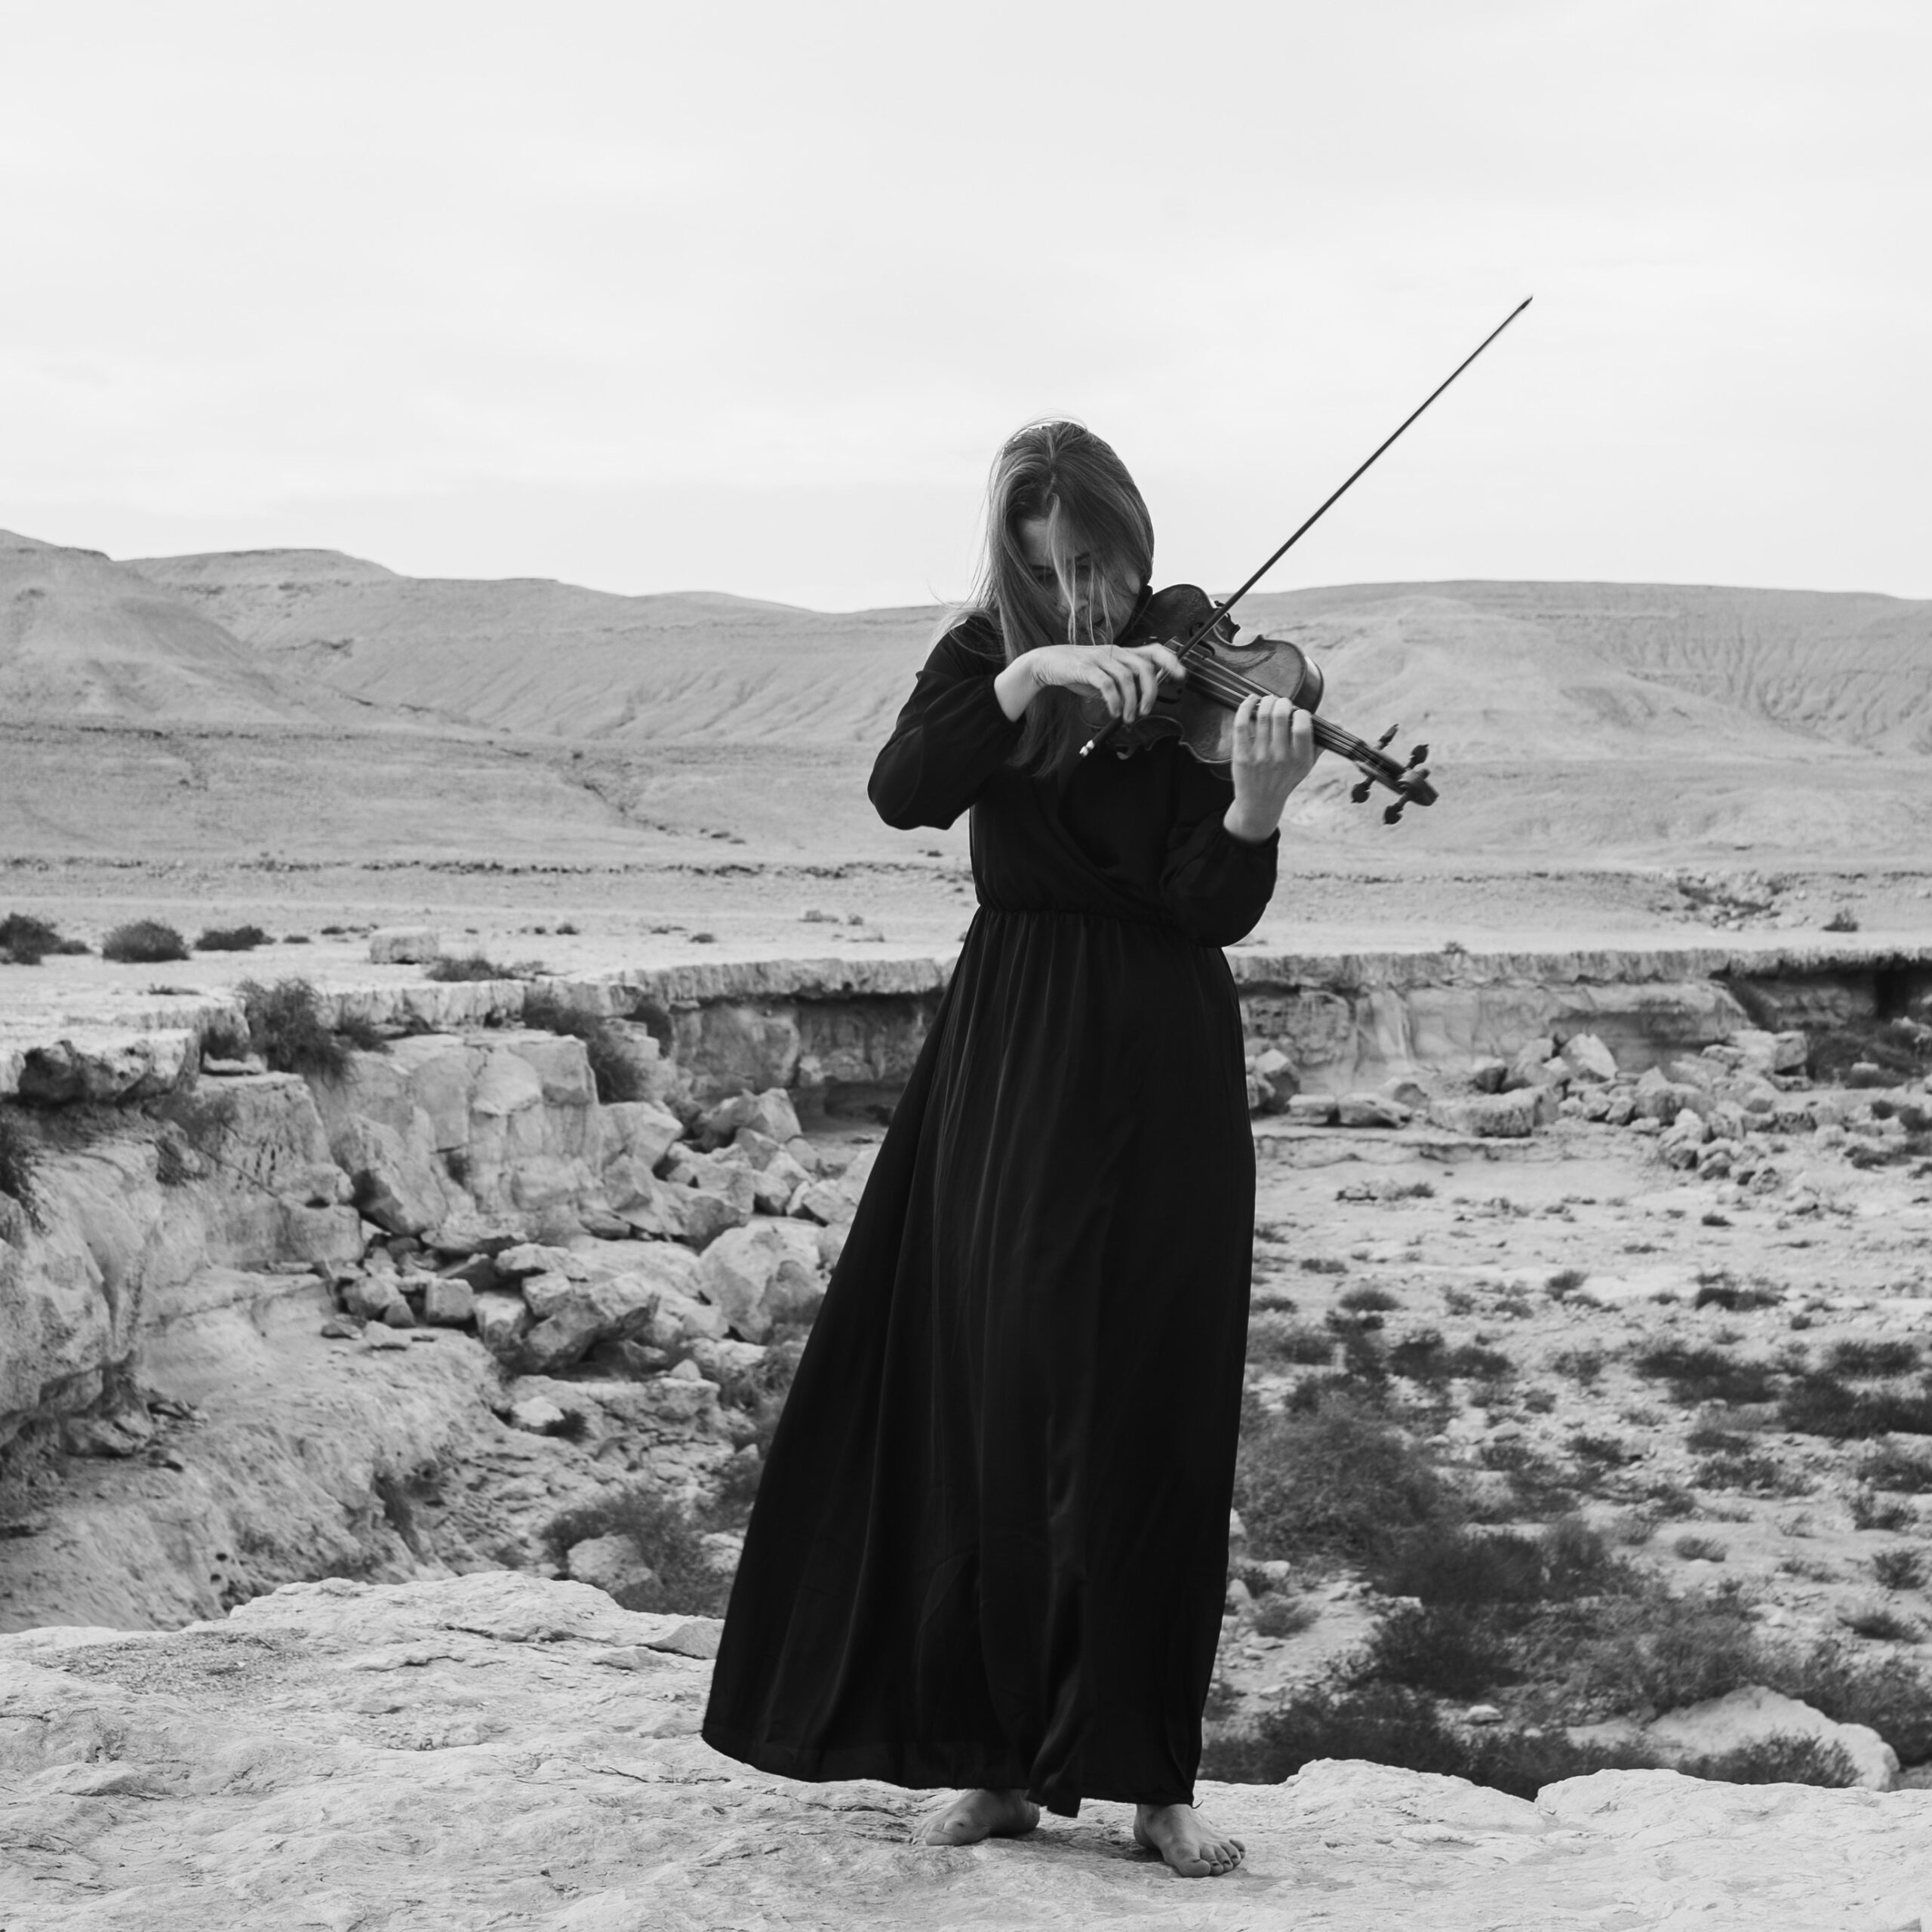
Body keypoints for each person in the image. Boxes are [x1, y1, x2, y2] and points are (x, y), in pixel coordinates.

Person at [701, 419, 1318, 1879]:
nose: (1084, 599)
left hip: (1159, 1039)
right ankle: (992, 1763)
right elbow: (906, 787)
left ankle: (1154, 1779)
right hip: (1012, 1042)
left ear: (1133, 541)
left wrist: (1253, 804)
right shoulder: (988, 652)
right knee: (994, 1385)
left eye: (1097, 565)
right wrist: (1026, 674)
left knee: (1153, 1402)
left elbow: (1204, 906)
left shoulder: (1199, 665)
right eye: (1050, 572)